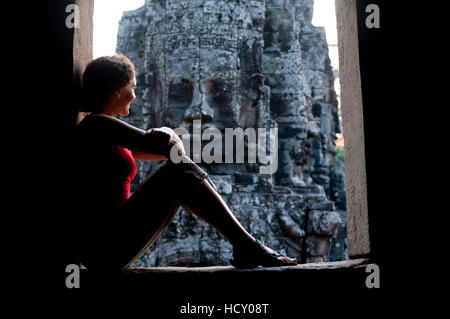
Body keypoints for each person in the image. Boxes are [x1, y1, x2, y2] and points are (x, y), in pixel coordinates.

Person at [73, 53, 297, 270]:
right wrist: (168, 131)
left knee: (181, 170)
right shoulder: (97, 125)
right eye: (132, 88)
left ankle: (246, 245)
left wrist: (171, 144)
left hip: (109, 242)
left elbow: (172, 153)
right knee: (178, 172)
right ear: (117, 91)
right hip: (104, 245)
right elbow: (167, 149)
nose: (134, 95)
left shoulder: (107, 133)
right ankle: (247, 245)